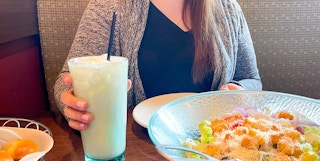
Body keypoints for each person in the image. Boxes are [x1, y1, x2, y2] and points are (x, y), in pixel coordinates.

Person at [54, 0, 262, 131]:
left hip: (212, 151)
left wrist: (238, 89)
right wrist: (74, 105)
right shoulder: (110, 6)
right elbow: (65, 81)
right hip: (138, 149)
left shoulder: (228, 8)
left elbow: (251, 78)